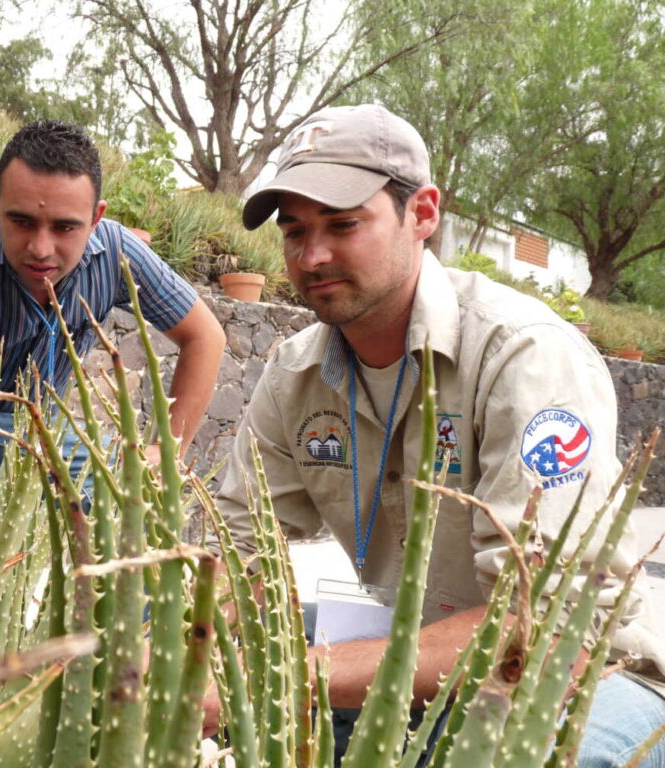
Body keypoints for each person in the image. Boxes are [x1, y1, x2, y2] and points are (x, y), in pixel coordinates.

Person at [215, 103, 665, 765]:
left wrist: (282, 678)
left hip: (585, 675)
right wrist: (191, 647)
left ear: (422, 213)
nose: (313, 256)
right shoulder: (294, 373)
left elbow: (542, 628)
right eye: (295, 231)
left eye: (343, 224)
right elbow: (237, 553)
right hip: (409, 640)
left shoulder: (524, 355)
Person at [0, 120, 226, 484]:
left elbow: (205, 336)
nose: (40, 249)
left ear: (96, 218)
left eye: (64, 227)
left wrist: (168, 451)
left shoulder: (117, 252)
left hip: (40, 425)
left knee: (134, 483)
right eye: (22, 222)